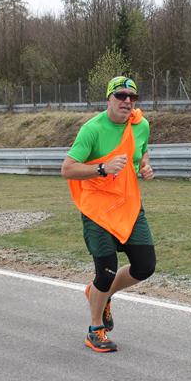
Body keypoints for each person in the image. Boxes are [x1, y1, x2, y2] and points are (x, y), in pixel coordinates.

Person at [61, 76, 156, 353]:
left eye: (132, 97)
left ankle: (100, 294)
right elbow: (67, 169)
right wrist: (102, 168)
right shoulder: (92, 129)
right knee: (106, 270)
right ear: (109, 99)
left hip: (128, 205)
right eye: (121, 96)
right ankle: (95, 329)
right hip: (97, 208)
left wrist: (145, 166)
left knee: (145, 266)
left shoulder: (140, 125)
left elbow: (142, 152)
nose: (127, 101)